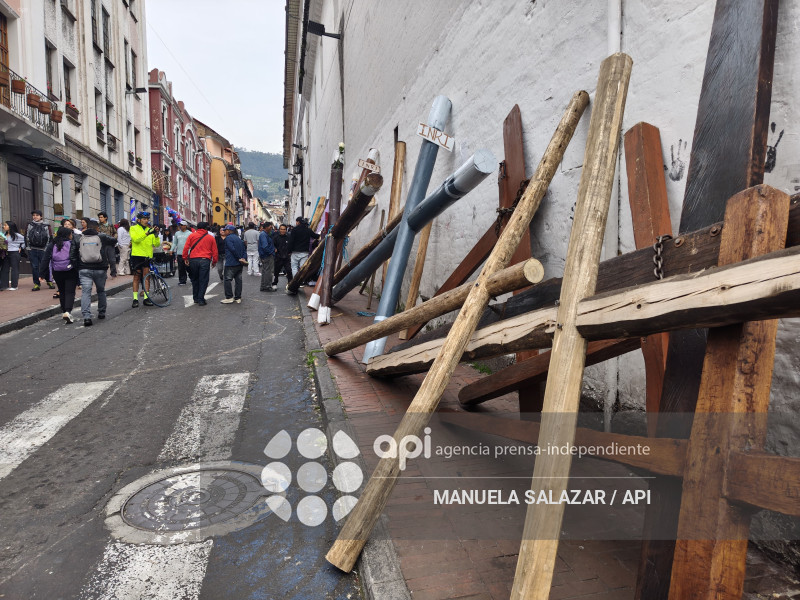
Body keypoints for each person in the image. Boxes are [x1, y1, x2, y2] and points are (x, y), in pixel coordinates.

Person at [77, 219, 116, 326]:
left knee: (86, 292)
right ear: (97, 228)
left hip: (84, 268)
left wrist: (77, 266)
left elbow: (74, 253)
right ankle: (102, 312)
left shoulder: (79, 237)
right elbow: (114, 241)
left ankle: (86, 317)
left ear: (86, 226)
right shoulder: (102, 237)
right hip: (100, 268)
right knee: (101, 291)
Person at [40, 226, 79, 324]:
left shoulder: (52, 244)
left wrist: (42, 273)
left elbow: (45, 259)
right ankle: (68, 311)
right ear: (68, 235)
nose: (71, 235)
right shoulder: (72, 243)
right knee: (70, 292)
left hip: (57, 271)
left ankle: (63, 310)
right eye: (70, 234)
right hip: (70, 270)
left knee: (62, 291)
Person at [129, 211, 161, 307]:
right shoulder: (133, 228)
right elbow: (136, 239)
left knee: (147, 277)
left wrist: (156, 235)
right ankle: (135, 299)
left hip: (147, 256)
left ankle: (146, 298)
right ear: (139, 220)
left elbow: (156, 244)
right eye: (144, 219)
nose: (146, 221)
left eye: (147, 219)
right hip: (137, 255)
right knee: (136, 277)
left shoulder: (150, 229)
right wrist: (147, 233)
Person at [182, 221, 218, 305]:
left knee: (195, 279)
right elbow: (215, 251)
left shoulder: (191, 236)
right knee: (203, 280)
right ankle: (201, 298)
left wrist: (185, 258)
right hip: (205, 260)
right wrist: (214, 261)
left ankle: (195, 298)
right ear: (206, 228)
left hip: (193, 260)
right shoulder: (210, 238)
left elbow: (186, 248)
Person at [287, 217, 319, 293]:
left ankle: (295, 282)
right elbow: (316, 236)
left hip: (295, 252)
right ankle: (300, 282)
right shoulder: (308, 230)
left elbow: (291, 241)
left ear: (298, 222)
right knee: (302, 268)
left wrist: (289, 251)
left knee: (294, 267)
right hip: (304, 252)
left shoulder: (294, 230)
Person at [26, 210, 56, 291]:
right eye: (34, 215)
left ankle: (49, 280)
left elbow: (50, 237)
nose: (35, 217)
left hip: (43, 250)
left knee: (45, 266)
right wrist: (28, 248)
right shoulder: (30, 225)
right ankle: (36, 283)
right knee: (34, 267)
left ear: (41, 216)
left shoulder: (46, 225)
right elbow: (27, 236)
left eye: (37, 215)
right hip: (33, 249)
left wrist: (47, 249)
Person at [220, 224, 246, 304]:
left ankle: (229, 297)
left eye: (225, 230)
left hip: (231, 262)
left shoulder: (228, 238)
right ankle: (238, 297)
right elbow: (244, 249)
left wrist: (239, 257)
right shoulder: (238, 239)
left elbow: (232, 249)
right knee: (238, 280)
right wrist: (243, 258)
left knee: (227, 280)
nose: (224, 231)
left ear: (229, 231)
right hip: (239, 263)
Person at [0, 221, 24, 290]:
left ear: (10, 227)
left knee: (14, 269)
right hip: (6, 253)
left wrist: (21, 248)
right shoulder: (4, 235)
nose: (4, 226)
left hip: (14, 253)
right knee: (4, 269)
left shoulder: (17, 235)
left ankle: (14, 286)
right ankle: (4, 285)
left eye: (5, 225)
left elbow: (25, 241)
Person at [96, 211, 118, 277]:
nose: (100, 218)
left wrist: (114, 238)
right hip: (102, 245)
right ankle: (103, 273)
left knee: (112, 260)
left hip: (110, 244)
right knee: (103, 260)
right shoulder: (98, 226)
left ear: (106, 218)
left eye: (101, 217)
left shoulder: (110, 225)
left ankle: (113, 273)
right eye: (99, 217)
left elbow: (115, 232)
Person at [258, 222, 276, 292]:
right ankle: (267, 286)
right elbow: (265, 246)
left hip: (265, 255)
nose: (271, 228)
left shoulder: (265, 234)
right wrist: (271, 252)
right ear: (266, 227)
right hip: (267, 255)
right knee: (268, 271)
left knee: (265, 271)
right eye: (270, 227)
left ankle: (263, 286)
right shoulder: (263, 235)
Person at [273, 223, 292, 289]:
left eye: (284, 229)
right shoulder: (276, 237)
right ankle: (275, 283)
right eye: (281, 229)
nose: (282, 231)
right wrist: (274, 249)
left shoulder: (289, 236)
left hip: (287, 257)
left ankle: (290, 284)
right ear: (279, 229)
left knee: (289, 271)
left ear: (286, 230)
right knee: (276, 271)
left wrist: (290, 252)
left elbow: (292, 244)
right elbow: (273, 245)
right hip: (278, 257)